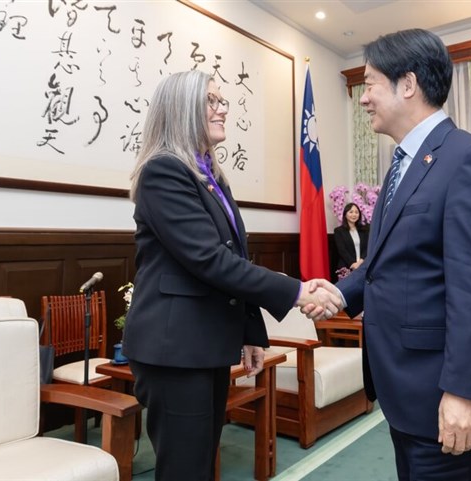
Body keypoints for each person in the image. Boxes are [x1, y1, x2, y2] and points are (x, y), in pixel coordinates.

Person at [308, 29, 471, 480]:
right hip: (406, 392)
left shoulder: (469, 160)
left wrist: (464, 393)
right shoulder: (403, 163)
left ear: (407, 84)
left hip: (446, 397)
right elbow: (389, 261)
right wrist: (339, 294)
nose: (362, 99)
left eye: (369, 84)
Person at [122, 70, 340, 481]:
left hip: (203, 345)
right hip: (175, 351)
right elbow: (209, 260)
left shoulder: (209, 175)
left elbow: (232, 256)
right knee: (185, 469)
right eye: (212, 101)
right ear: (183, 110)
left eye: (223, 100)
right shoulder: (163, 171)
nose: (223, 108)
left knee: (202, 462)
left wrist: (250, 333)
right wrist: (296, 290)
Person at [333, 202, 369, 271]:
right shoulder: (339, 231)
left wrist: (360, 262)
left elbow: (367, 248)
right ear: (345, 214)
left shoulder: (365, 230)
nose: (354, 215)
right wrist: (353, 264)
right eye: (351, 212)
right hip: (347, 267)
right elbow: (342, 250)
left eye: (356, 212)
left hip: (363, 266)